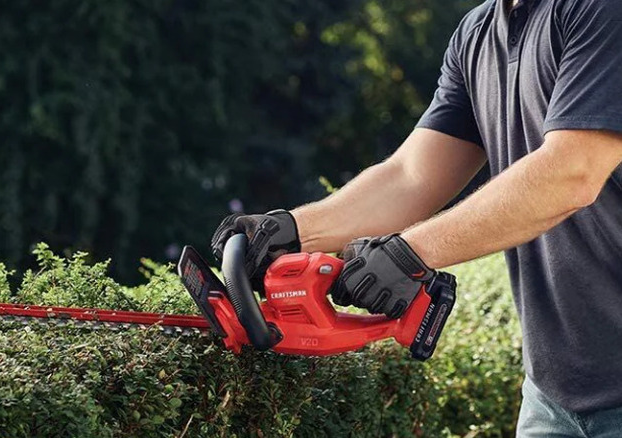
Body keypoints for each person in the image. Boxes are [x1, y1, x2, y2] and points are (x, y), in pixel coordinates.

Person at [210, 0, 622, 435]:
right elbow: (413, 176)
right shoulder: (478, 33)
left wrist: (410, 254)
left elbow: (571, 172)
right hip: (553, 399)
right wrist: (293, 232)